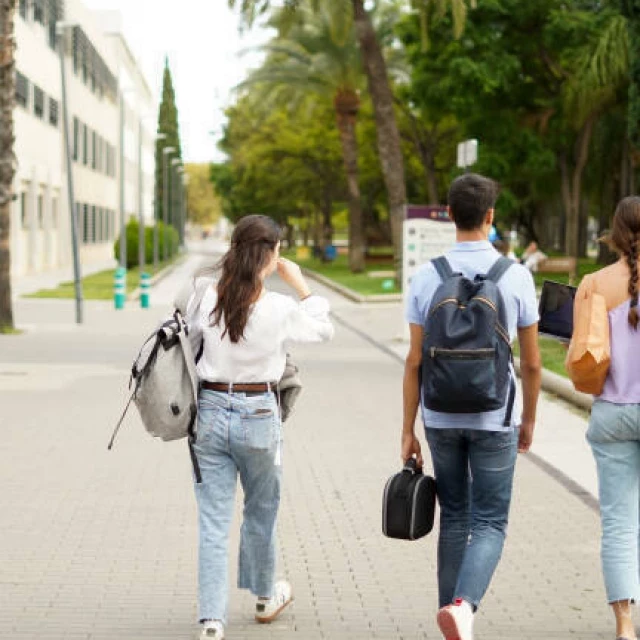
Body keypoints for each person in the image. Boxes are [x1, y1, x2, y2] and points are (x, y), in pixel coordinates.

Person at [402, 174, 542, 640]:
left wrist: (408, 428)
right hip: (495, 415)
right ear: (490, 217)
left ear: (447, 213)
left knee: (456, 515)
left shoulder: (426, 276)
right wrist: (529, 420)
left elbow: (415, 360)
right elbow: (534, 365)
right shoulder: (516, 276)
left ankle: (452, 614)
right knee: (489, 520)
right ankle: (462, 608)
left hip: (439, 415)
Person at [185, 215, 334, 640]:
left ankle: (212, 622)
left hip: (210, 411)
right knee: (261, 512)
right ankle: (266, 596)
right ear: (271, 255)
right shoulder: (280, 308)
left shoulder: (205, 295)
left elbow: (187, 337)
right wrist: (301, 283)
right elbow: (324, 329)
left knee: (213, 521)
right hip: (258, 415)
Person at [573, 196, 640, 640]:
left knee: (618, 522)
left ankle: (624, 625)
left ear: (613, 233)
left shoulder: (596, 283)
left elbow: (582, 355)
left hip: (614, 413)